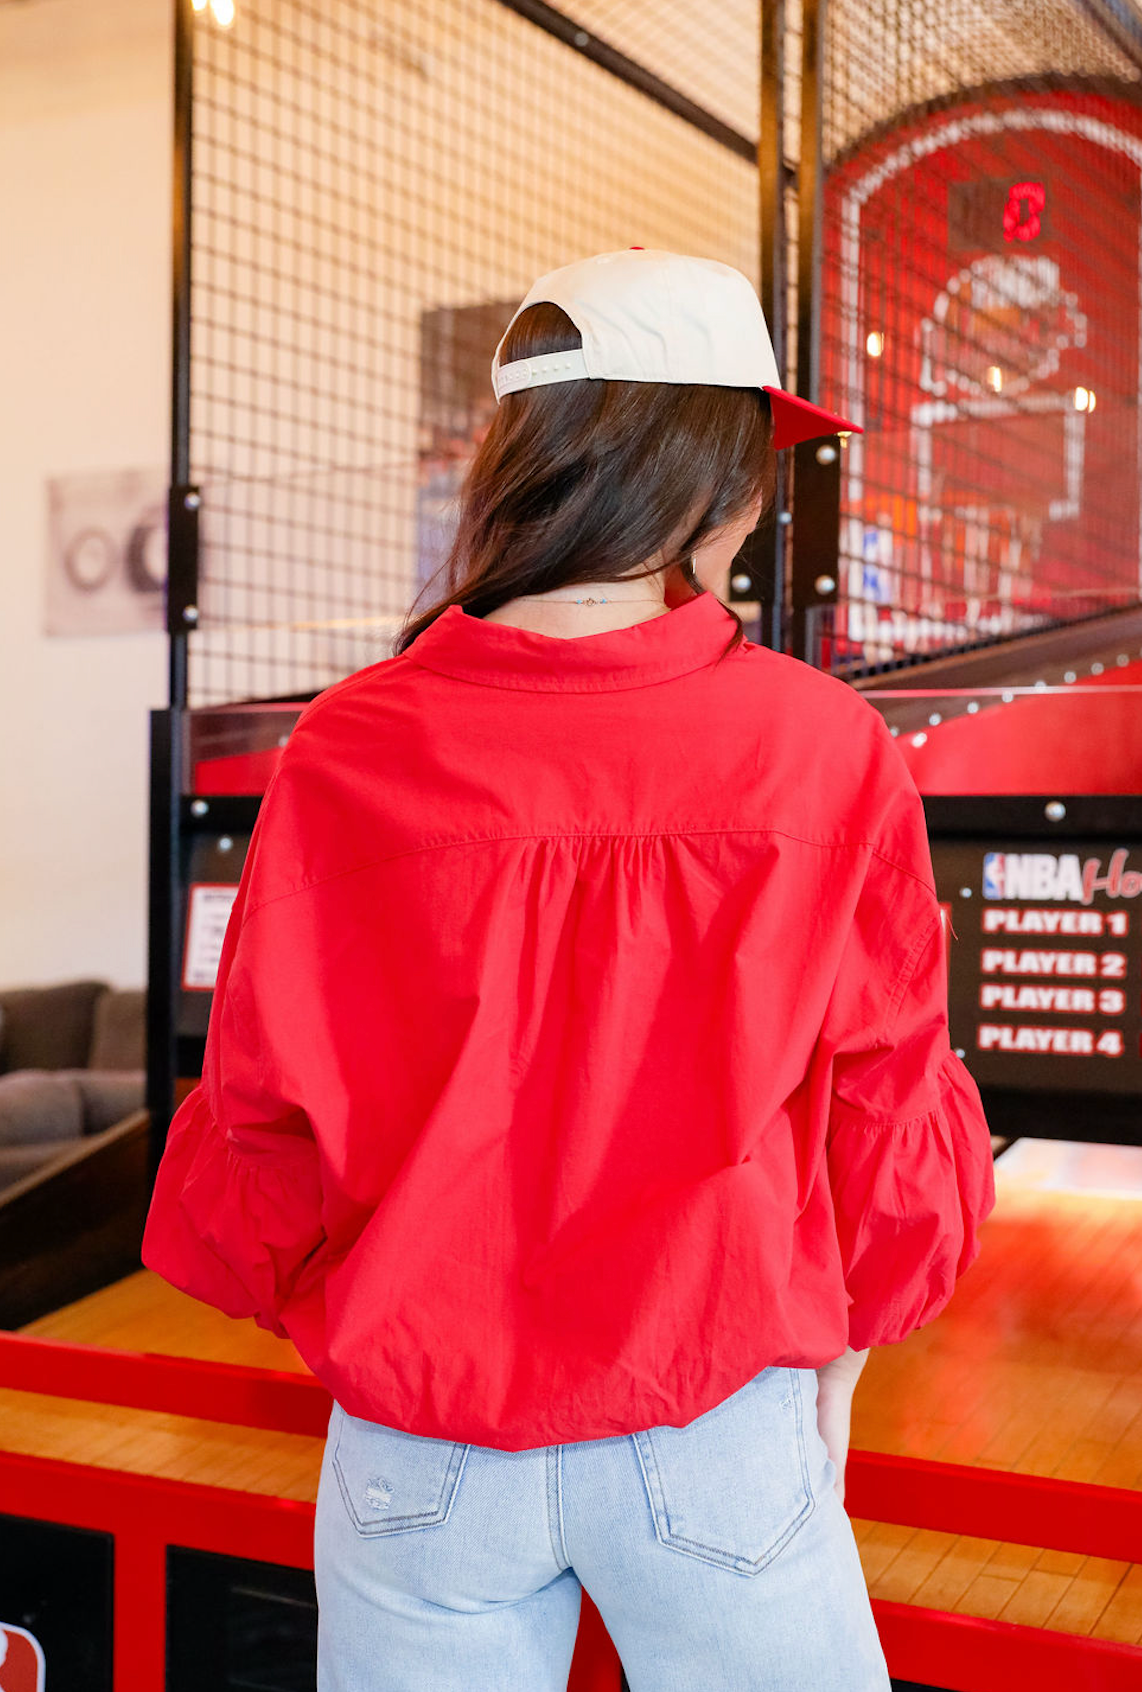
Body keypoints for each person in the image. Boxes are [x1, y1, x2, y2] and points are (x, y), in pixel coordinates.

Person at [141, 248, 997, 1691]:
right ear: (706, 478)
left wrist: (383, 1317)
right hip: (715, 1423)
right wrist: (839, 1359)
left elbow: (260, 1117)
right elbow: (886, 1095)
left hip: (418, 1449)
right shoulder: (818, 745)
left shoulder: (346, 743)